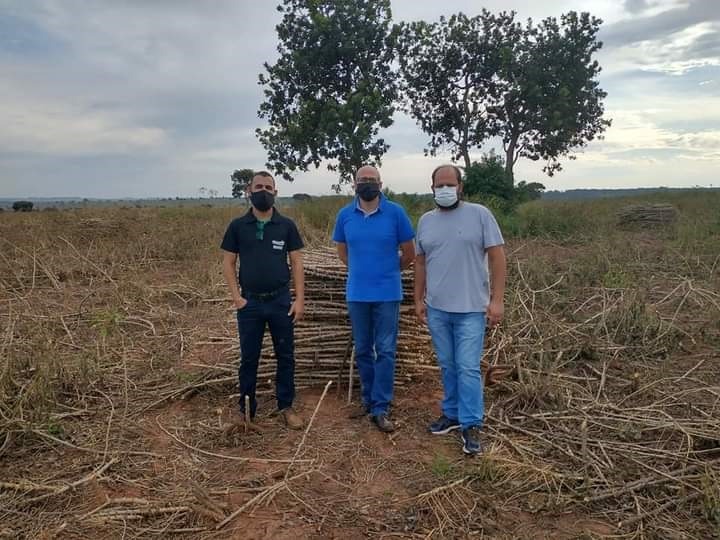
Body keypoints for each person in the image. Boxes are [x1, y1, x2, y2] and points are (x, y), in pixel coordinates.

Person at [414, 164, 507, 455]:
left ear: (460, 186)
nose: (444, 190)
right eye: (439, 186)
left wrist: (497, 300)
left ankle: (471, 423)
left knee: (467, 367)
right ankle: (452, 414)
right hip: (438, 308)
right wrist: (419, 299)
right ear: (432, 189)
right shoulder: (426, 221)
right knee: (448, 365)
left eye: (449, 184)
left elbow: (497, 256)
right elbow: (419, 262)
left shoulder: (479, 215)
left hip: (471, 309)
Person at [332, 165, 415, 433]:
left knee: (386, 350)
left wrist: (388, 271)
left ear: (381, 183)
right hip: (357, 294)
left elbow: (409, 252)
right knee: (364, 349)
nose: (366, 183)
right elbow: (343, 252)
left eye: (371, 180)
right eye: (361, 180)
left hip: (388, 294)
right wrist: (362, 271)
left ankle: (381, 407)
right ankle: (368, 400)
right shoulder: (345, 215)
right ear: (354, 184)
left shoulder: (396, 213)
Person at [220, 171, 305, 429]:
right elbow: (228, 262)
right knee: (249, 358)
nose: (264, 191)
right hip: (250, 304)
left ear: (275, 193)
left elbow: (297, 262)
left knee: (286, 355)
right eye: (259, 187)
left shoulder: (286, 225)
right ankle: (246, 410)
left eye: (269, 187)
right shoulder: (237, 226)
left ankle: (286, 406)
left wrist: (299, 299)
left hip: (280, 302)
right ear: (249, 190)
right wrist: (237, 298)